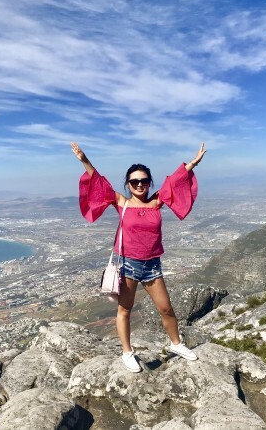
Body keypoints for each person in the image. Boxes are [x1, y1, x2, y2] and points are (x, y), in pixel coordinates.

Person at [71, 141, 206, 373]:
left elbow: (173, 183)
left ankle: (177, 344)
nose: (140, 184)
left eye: (144, 181)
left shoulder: (156, 202)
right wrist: (85, 160)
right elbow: (99, 184)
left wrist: (192, 163)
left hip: (153, 264)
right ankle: (127, 352)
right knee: (125, 309)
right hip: (128, 265)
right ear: (128, 184)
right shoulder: (122, 203)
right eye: (135, 181)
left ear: (149, 182)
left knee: (166, 308)